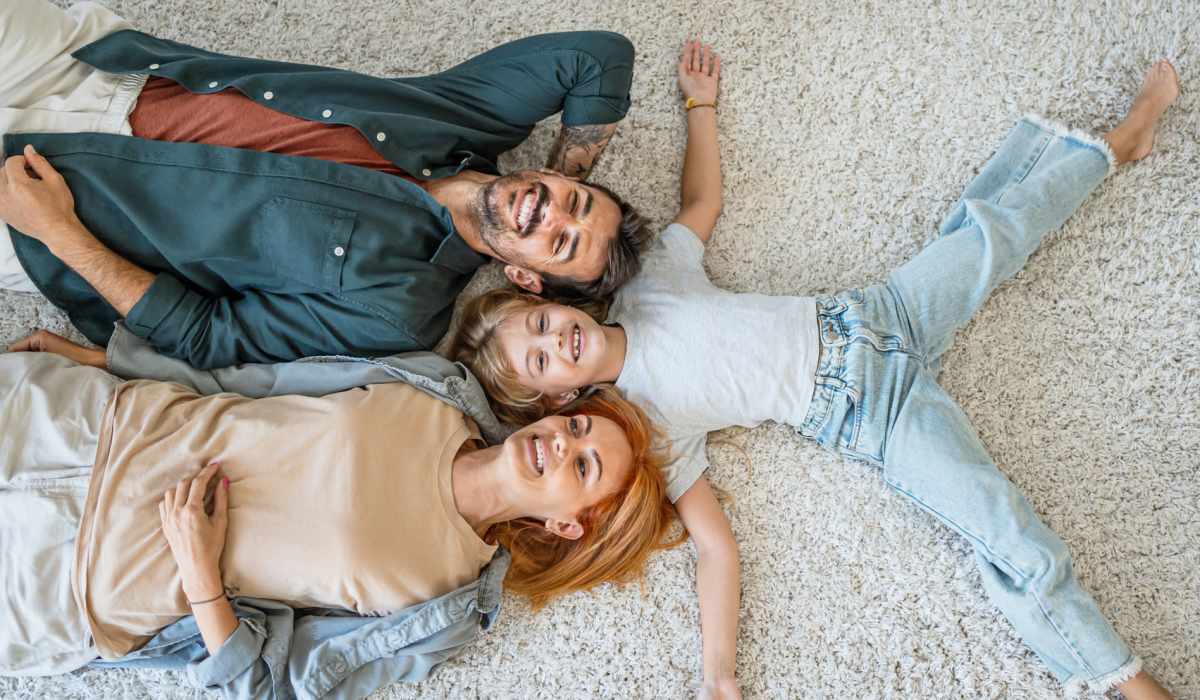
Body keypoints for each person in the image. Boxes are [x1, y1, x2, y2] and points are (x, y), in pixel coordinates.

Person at [449, 37, 1181, 699]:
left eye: (540, 326)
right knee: (1003, 526)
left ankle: (1121, 140)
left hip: (878, 313)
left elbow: (703, 202)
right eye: (541, 363)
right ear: (560, 395)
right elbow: (714, 546)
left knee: (994, 234)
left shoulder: (648, 280)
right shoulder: (643, 425)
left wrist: (700, 107)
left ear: (551, 301)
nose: (556, 342)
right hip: (872, 411)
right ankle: (1127, 681)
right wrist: (720, 676)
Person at [0, 332, 681, 699]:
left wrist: (201, 576)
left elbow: (271, 688)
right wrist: (103, 358)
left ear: (569, 525)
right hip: (87, 424)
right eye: (580, 425)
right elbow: (250, 377)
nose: (563, 441)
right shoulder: (435, 389)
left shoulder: (443, 607)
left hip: (60, 582)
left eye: (583, 466)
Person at [0, 0, 650, 369]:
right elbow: (598, 56)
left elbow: (208, 339)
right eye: (576, 203)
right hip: (105, 70)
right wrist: (556, 184)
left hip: (54, 204)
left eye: (561, 243)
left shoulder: (399, 311)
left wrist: (56, 232)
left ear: (526, 280)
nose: (551, 212)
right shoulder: (467, 120)